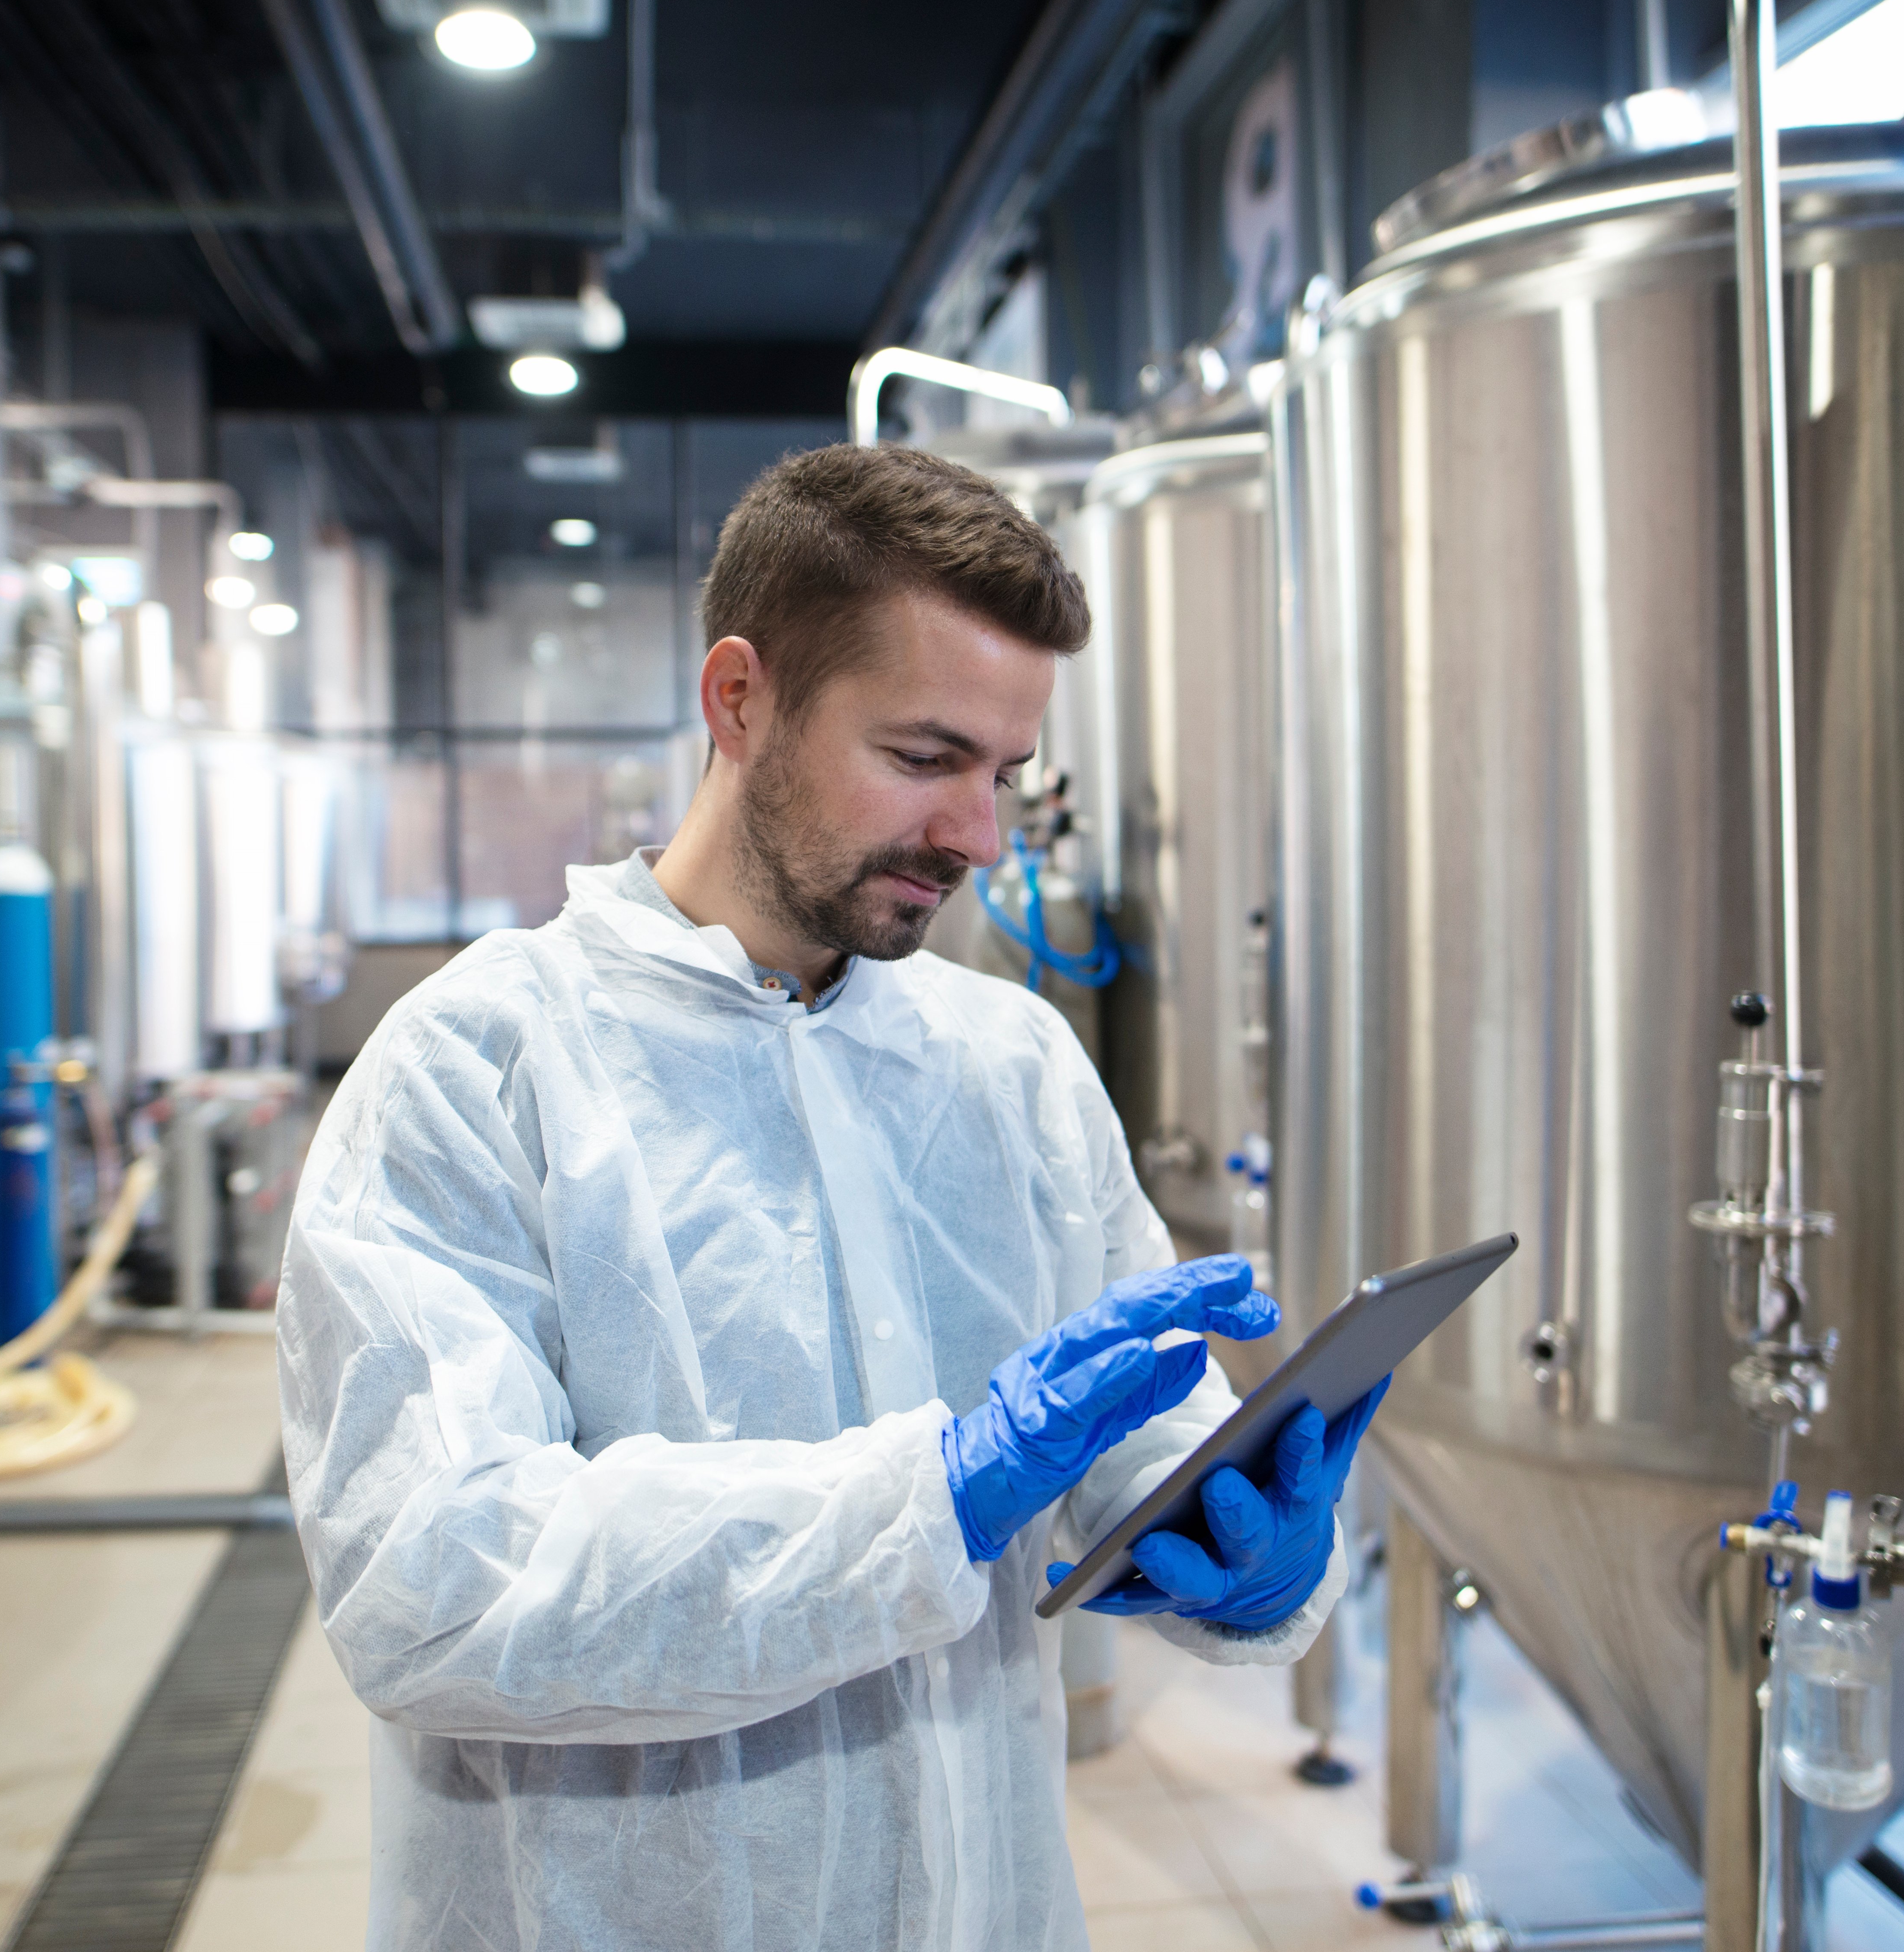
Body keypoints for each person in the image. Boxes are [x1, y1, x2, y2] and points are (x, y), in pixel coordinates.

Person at [278, 442, 1388, 1951]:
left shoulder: (1010, 1067)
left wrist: (1240, 1526)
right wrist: (927, 1497)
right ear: (741, 698)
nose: (980, 837)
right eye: (925, 759)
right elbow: (439, 1586)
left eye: (1006, 776)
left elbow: (1123, 1447)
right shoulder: (479, 1069)